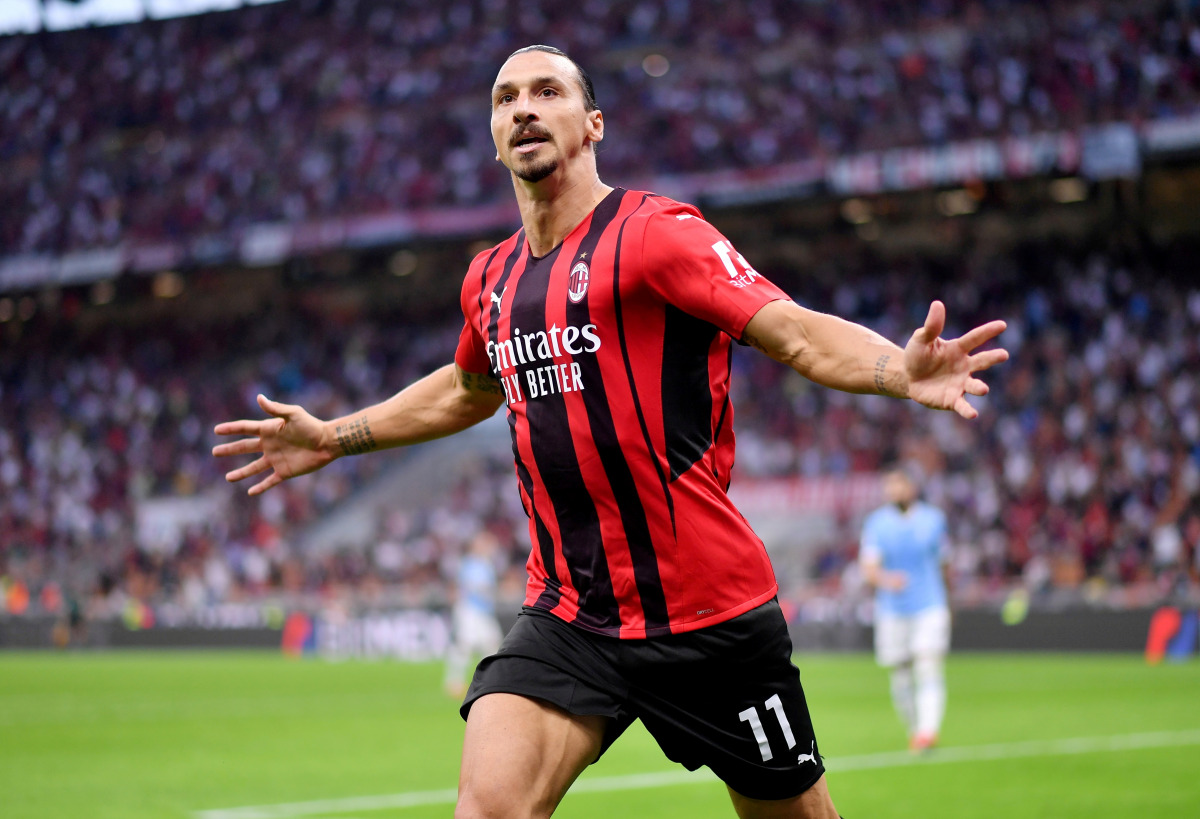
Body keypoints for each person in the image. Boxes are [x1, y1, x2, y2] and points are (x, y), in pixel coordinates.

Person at [213, 44, 1008, 819]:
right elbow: (465, 390)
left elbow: (794, 331)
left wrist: (896, 371)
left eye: (547, 92)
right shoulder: (488, 277)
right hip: (568, 612)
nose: (523, 107)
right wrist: (333, 437)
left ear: (593, 124)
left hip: (708, 614)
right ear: (493, 136)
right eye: (504, 98)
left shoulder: (660, 234)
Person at [859, 468, 952, 753]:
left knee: (928, 664)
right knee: (900, 673)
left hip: (930, 604)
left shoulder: (934, 520)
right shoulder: (876, 524)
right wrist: (889, 580)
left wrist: (949, 600)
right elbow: (869, 569)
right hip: (892, 609)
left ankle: (928, 732)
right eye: (889, 486)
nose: (893, 491)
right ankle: (915, 730)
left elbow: (945, 564)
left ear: (912, 487)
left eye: (898, 485)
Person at [444, 531, 504, 699]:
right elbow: (476, 588)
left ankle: (488, 681)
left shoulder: (485, 564)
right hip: (470, 610)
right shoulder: (471, 564)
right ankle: (454, 681)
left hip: (484, 611)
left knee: (492, 645)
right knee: (465, 645)